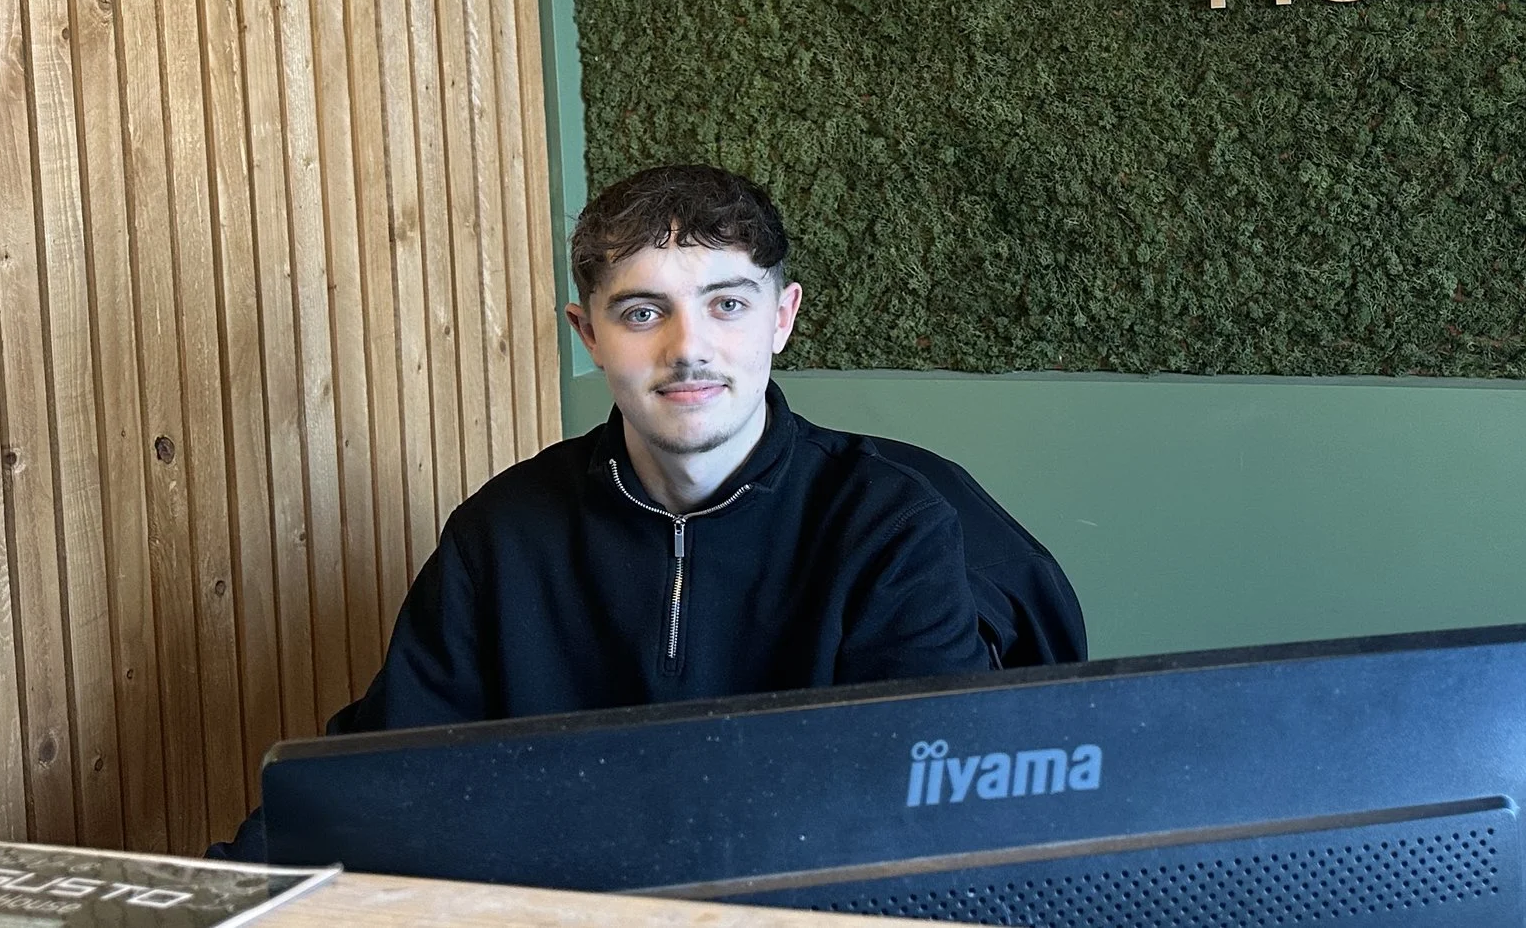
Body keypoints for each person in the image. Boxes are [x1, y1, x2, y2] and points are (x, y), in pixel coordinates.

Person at [217, 164, 1078, 852]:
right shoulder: (502, 532)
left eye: (727, 304)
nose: (689, 348)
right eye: (641, 311)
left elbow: (933, 816)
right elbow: (378, 775)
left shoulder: (892, 524)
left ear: (782, 318)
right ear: (587, 334)